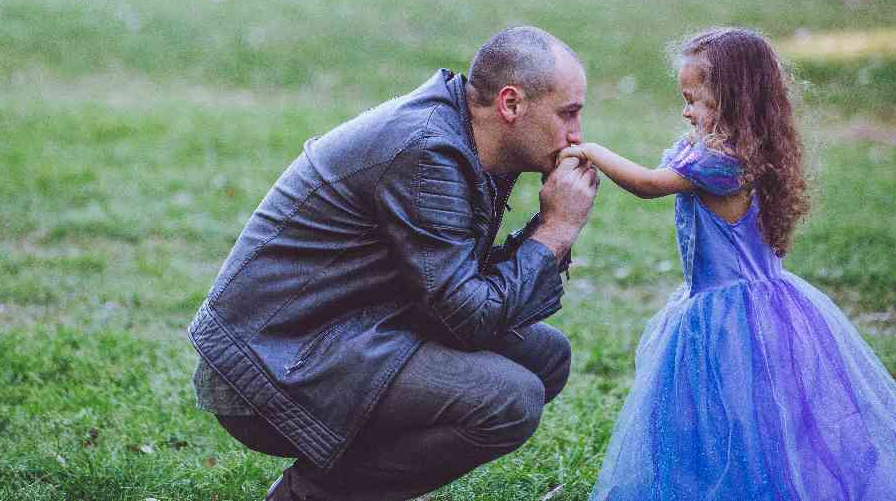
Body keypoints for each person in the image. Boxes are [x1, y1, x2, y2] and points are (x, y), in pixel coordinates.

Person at [187, 26, 600, 501]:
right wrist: (556, 230)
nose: (577, 135)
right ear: (510, 104)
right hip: (271, 365)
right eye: (567, 114)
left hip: (352, 331)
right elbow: (469, 319)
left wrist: (551, 229)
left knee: (544, 357)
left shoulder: (470, 139)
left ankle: (339, 484)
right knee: (508, 400)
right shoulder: (428, 152)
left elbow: (464, 299)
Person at [559, 28, 896, 500]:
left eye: (696, 100)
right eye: (684, 98)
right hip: (748, 306)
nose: (686, 110)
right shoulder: (737, 154)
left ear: (734, 101)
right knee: (735, 414)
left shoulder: (722, 165)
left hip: (733, 317)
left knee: (747, 416)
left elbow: (649, 184)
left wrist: (592, 151)